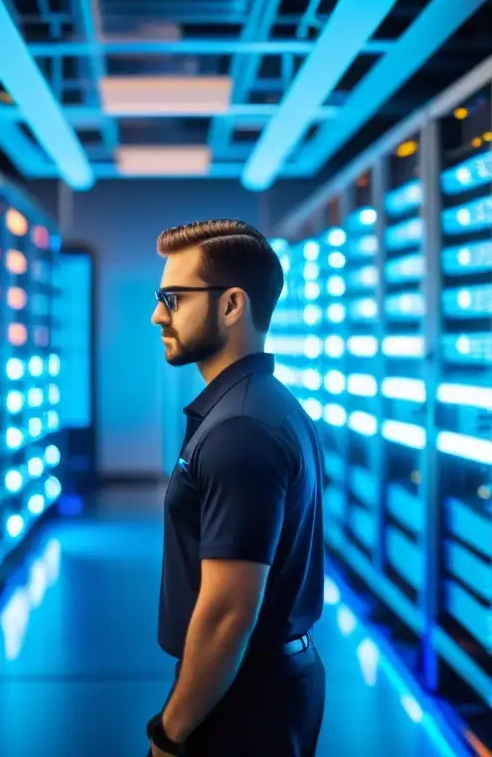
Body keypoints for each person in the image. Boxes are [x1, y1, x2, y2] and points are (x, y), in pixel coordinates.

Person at [145, 219, 326, 757]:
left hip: (240, 697)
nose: (158, 314)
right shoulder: (258, 406)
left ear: (231, 306)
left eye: (173, 298)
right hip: (254, 685)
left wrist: (170, 733)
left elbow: (228, 615)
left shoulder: (240, 431)